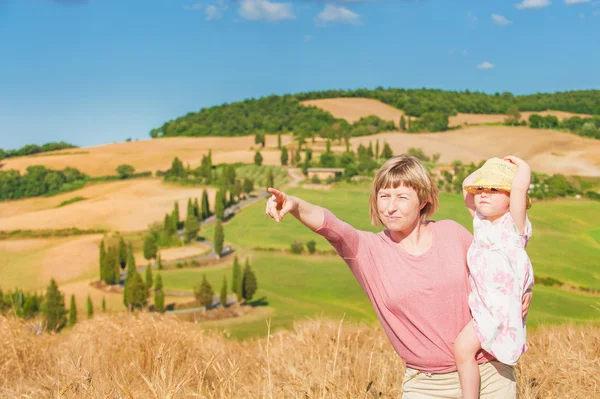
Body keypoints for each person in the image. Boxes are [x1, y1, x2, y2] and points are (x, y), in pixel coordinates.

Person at [265, 154, 532, 398]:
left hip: (489, 373)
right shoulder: (366, 250)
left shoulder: (453, 233)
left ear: (423, 200)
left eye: (402, 197)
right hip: (425, 386)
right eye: (384, 196)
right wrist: (295, 204)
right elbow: (332, 226)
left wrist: (523, 292)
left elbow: (499, 267)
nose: (390, 207)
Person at [454, 156, 534, 399]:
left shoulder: (514, 224)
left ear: (511, 199)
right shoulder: (481, 221)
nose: (484, 194)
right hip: (482, 303)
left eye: (494, 189)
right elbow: (465, 186)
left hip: (499, 308)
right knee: (464, 350)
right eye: (481, 189)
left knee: (464, 349)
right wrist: (490, 165)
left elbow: (519, 187)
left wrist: (521, 166)